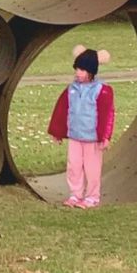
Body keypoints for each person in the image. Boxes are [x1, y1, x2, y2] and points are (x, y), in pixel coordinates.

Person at [47, 44, 115, 208]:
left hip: (92, 138)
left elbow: (107, 114)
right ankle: (75, 194)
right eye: (77, 69)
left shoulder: (102, 90)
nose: (78, 73)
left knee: (92, 168)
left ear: (91, 72)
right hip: (75, 136)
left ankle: (92, 196)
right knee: (74, 166)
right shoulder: (71, 89)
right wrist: (57, 131)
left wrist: (105, 136)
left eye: (82, 70)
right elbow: (62, 110)